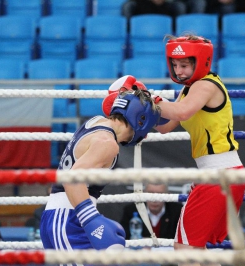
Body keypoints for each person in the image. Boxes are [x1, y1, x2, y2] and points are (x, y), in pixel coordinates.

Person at [153, 34, 245, 265]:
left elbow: (181, 113)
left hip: (219, 173)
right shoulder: (189, 90)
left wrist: (146, 97)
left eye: (184, 65)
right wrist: (136, 113)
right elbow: (165, 127)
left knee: (185, 247)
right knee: (193, 247)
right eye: (175, 65)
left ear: (201, 61)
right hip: (218, 174)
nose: (179, 71)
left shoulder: (206, 86)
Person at [39, 77, 162, 252]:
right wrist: (92, 220)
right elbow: (72, 179)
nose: (146, 135)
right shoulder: (107, 143)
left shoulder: (95, 122)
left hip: (65, 217)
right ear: (140, 120)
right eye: (148, 128)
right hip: (69, 219)